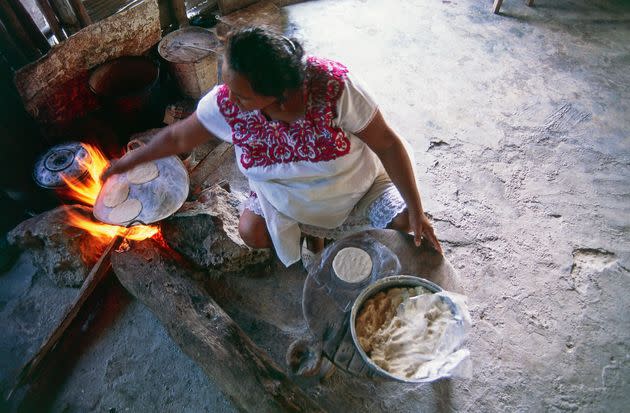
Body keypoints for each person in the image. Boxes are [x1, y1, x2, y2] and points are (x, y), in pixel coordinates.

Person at [102, 26, 442, 267]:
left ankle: (326, 231)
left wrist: (416, 208)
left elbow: (387, 143)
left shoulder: (335, 87)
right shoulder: (229, 104)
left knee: (405, 229)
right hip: (284, 194)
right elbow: (178, 137)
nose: (227, 99)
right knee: (252, 232)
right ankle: (315, 234)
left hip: (360, 185)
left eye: (240, 94)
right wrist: (129, 162)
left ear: (279, 95)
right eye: (227, 85)